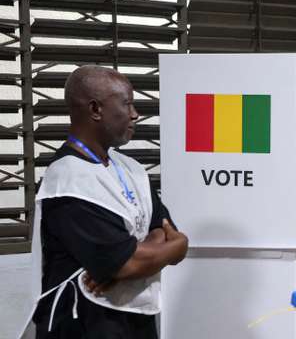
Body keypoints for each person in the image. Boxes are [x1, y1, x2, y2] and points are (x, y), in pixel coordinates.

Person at [19, 65, 189, 339]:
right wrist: (172, 247)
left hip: (134, 322)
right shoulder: (67, 181)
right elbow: (130, 263)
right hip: (84, 324)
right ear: (96, 109)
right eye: (127, 103)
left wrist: (172, 245)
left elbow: (161, 231)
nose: (135, 114)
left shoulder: (130, 168)